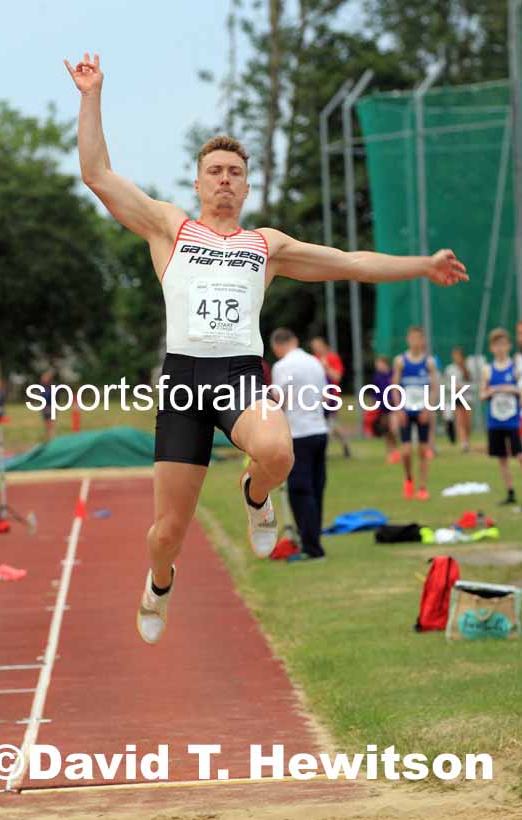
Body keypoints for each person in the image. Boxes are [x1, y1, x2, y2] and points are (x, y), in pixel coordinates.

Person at [65, 53, 468, 645]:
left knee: (279, 452)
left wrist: (422, 265)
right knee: (164, 534)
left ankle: (256, 494)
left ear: (247, 185)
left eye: (234, 171)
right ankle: (159, 583)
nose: (224, 179)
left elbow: (352, 263)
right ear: (198, 181)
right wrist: (92, 94)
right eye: (215, 171)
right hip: (182, 381)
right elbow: (97, 173)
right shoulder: (168, 227)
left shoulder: (266, 245)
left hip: (238, 373)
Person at [270, 328, 328, 562]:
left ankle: (311, 546)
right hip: (319, 429)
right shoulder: (315, 362)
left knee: (299, 490)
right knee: (316, 488)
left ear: (277, 346)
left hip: (298, 433)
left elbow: (278, 399)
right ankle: (314, 540)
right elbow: (325, 396)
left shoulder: (282, 366)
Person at [392, 327, 438, 500]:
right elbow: (395, 387)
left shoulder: (429, 362)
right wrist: (398, 409)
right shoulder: (400, 361)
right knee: (406, 451)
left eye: (419, 338)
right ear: (408, 340)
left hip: (422, 410)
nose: (416, 342)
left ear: (423, 340)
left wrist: (428, 407)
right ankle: (409, 478)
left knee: (423, 449)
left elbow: (434, 388)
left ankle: (423, 486)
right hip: (406, 410)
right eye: (413, 338)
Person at [480, 328, 522, 505]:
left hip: (513, 420)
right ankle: (510, 492)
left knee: (519, 456)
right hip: (495, 421)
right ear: (491, 348)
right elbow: (482, 395)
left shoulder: (515, 368)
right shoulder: (488, 370)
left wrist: (510, 389)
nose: (500, 348)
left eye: (503, 344)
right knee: (502, 459)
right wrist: (493, 390)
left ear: (509, 346)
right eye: (496, 345)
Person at [309, 336, 351, 457]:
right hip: (317, 397)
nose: (315, 348)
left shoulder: (332, 358)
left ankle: (324, 450)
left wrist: (326, 367)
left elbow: (337, 377)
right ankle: (343, 445)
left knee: (330, 424)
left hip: (331, 396)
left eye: (317, 345)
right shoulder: (313, 359)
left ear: (323, 345)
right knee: (325, 424)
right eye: (313, 346)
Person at [371, 355, 400, 464]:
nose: (378, 366)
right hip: (383, 408)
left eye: (379, 364)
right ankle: (390, 452)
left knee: (393, 429)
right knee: (386, 431)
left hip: (393, 406)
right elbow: (375, 394)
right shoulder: (377, 377)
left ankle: (395, 450)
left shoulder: (393, 374)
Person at [444, 346, 473, 452]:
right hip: (457, 397)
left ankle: (467, 440)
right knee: (460, 420)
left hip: (467, 397)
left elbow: (472, 383)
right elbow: (447, 383)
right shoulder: (450, 369)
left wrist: (463, 386)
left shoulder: (467, 368)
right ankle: (464, 443)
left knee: (467, 421)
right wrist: (453, 387)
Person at [40, 370, 56, 441]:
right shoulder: (42, 388)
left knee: (51, 425)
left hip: (50, 407)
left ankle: (51, 440)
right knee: (46, 426)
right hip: (44, 408)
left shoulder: (51, 388)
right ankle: (48, 440)